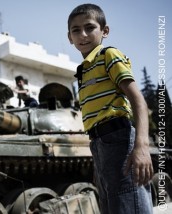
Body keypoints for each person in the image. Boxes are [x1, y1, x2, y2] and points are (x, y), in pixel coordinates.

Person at [67, 4, 153, 214]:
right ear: (69, 37)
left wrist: (141, 146)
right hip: (100, 145)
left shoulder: (108, 54)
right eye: (76, 30)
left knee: (129, 204)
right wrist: (99, 162)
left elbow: (138, 100)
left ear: (104, 31)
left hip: (119, 139)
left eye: (89, 27)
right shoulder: (84, 70)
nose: (83, 35)